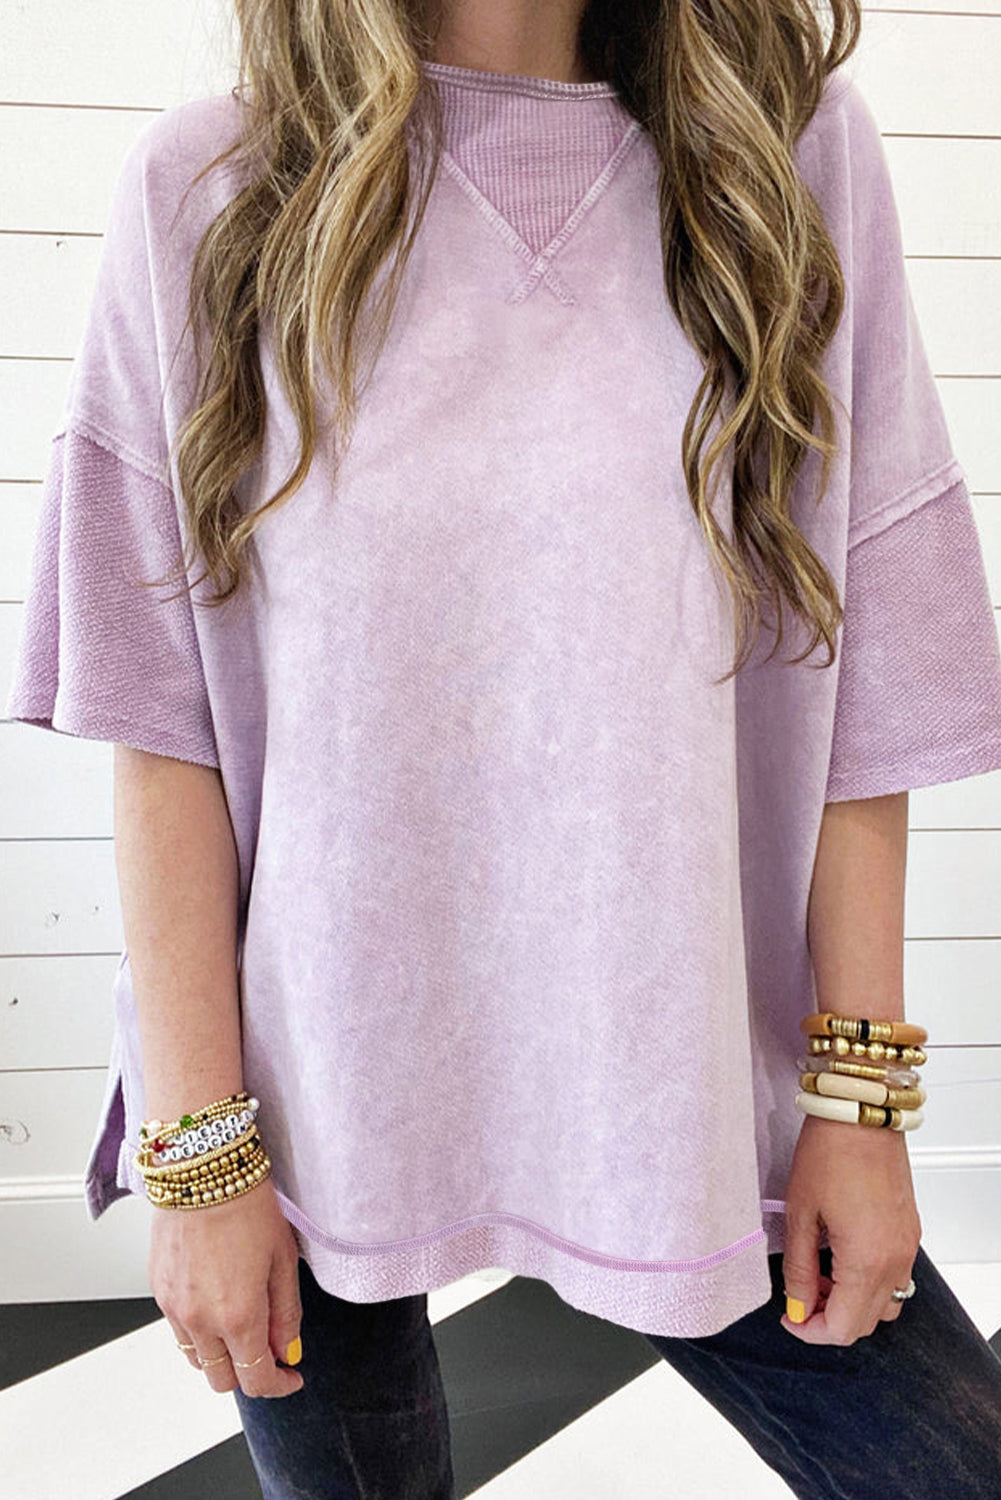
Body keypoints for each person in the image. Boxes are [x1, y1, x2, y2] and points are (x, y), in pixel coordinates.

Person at [6, 0, 1001, 1495]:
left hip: (689, 1078)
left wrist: (858, 1111)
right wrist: (200, 1162)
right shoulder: (212, 190)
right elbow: (162, 729)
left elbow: (865, 671)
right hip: (304, 1102)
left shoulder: (785, 160)